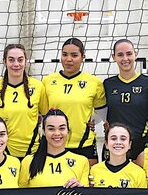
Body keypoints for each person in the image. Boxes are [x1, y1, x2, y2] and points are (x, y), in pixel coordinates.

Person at [40, 37, 106, 165]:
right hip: (54, 143)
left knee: (87, 178)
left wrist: (91, 121)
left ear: (83, 57)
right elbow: (43, 113)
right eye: (65, 55)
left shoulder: (94, 82)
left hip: (84, 144)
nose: (68, 59)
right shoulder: (47, 81)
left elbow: (102, 112)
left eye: (74, 55)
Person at [0, 44, 45, 161]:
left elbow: (46, 115)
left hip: (33, 151)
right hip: (2, 152)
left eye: (20, 60)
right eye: (11, 60)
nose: (16, 64)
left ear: (26, 61)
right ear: (4, 62)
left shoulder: (38, 86)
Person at [102, 38, 148, 161]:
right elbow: (100, 110)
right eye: (120, 55)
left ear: (135, 54)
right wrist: (92, 122)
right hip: (116, 144)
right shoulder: (108, 84)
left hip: (141, 143)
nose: (125, 58)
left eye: (129, 53)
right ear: (114, 57)